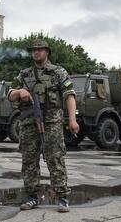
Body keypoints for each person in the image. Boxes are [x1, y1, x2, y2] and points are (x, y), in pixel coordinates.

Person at [7, 39, 79, 213]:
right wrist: (20, 92)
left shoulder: (59, 72)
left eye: (40, 50)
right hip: (29, 122)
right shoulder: (23, 75)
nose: (36, 52)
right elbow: (9, 94)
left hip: (52, 121)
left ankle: (62, 197)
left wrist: (72, 120)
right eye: (33, 50)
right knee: (29, 160)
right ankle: (32, 196)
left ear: (47, 52)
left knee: (55, 158)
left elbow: (69, 95)